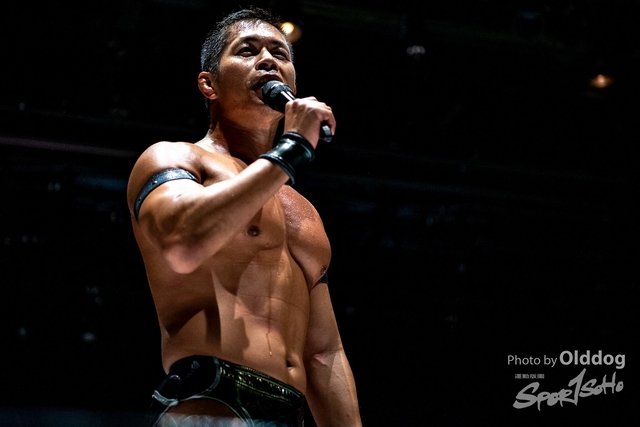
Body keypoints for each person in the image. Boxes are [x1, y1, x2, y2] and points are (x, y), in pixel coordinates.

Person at [126, 7, 362, 427]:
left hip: (289, 413)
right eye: (247, 51)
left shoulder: (304, 211)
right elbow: (183, 244)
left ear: (292, 86)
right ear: (209, 84)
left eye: (279, 54)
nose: (268, 60)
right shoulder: (175, 158)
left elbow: (324, 352)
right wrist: (291, 149)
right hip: (211, 402)